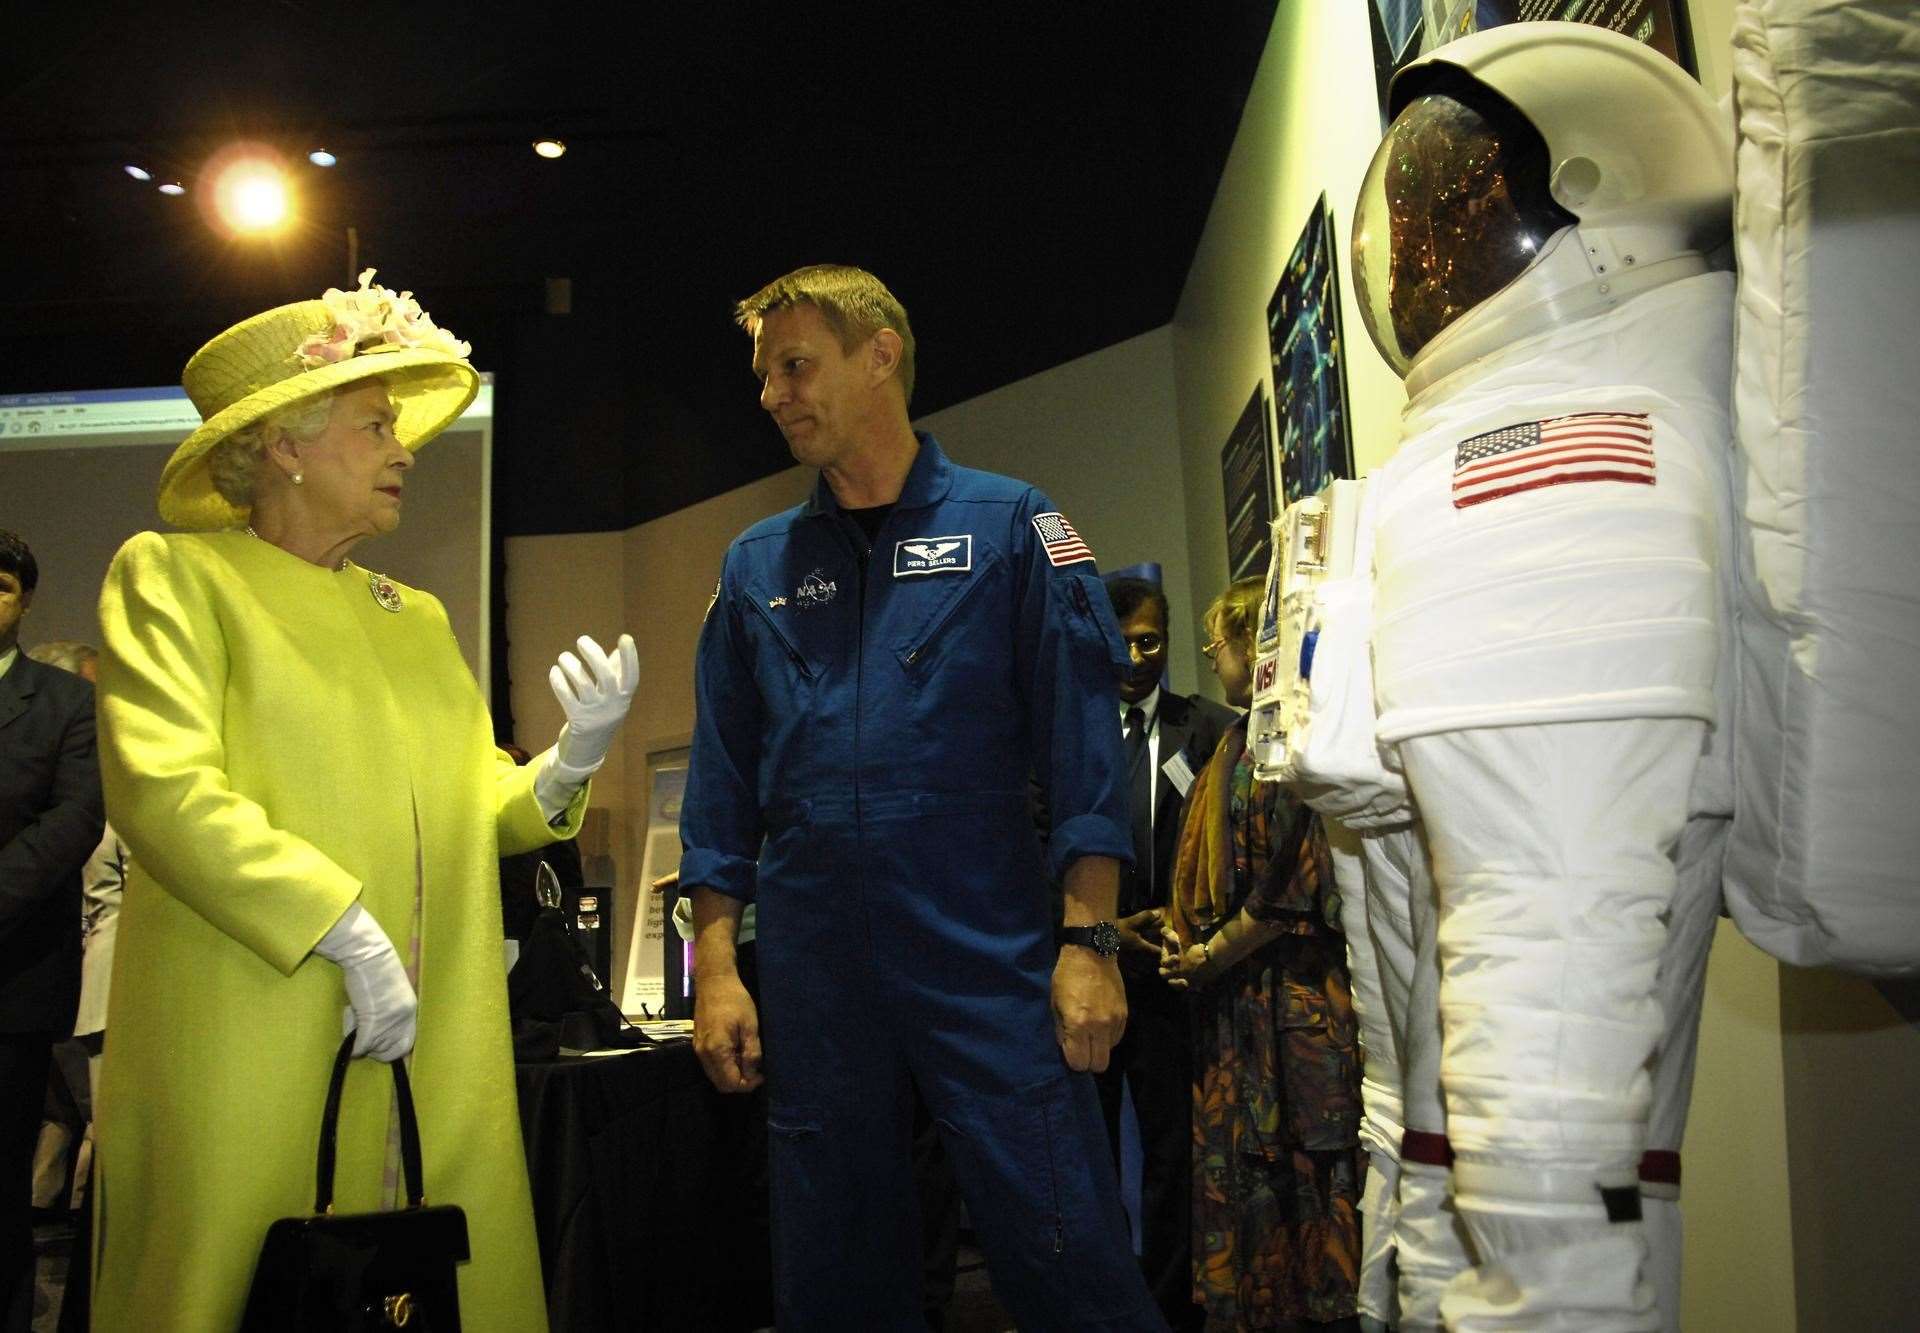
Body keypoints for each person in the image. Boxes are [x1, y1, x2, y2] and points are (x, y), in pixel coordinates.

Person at [91, 271, 640, 1332]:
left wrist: (568, 763)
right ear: (287, 443)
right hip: (253, 1016)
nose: (406, 450)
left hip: (435, 1034)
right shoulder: (174, 579)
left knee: (433, 1281)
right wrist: (338, 924)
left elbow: (472, 798)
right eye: (376, 423)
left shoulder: (413, 614)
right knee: (242, 1280)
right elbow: (163, 787)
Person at [681, 264, 1162, 1330]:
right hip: (815, 972)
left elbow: (1087, 751)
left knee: (1062, 1231)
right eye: (765, 378)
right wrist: (715, 969)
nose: (774, 396)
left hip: (981, 948)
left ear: (880, 355)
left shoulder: (1015, 528)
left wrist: (1091, 944)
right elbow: (720, 789)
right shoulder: (756, 566)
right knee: (833, 1258)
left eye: (796, 367)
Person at [1345, 25, 1737, 1330]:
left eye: (1455, 215)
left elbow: (1539, 1118)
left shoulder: (1568, 461)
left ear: (1591, 195)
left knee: (1559, 1215)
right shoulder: (1505, 442)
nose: (1420, 257)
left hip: (1534, 1207)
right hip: (1458, 1160)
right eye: (1411, 226)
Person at [1160, 576, 1363, 1332]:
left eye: (1217, 643)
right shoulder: (1232, 741)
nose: (1211, 659)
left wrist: (1210, 951)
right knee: (1226, 1175)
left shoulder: (1265, 738)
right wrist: (1153, 931)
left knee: (1304, 1173)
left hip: (1283, 998)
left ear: (1253, 641)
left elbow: (1285, 884)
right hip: (1214, 1001)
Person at [1096, 575, 1235, 1332]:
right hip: (1093, 966)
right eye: (1120, 641)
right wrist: (1112, 932)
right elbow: (1041, 854)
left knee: (1172, 1154)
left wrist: (1179, 923)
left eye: (1150, 640)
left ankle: (1169, 1310)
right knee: (1085, 1152)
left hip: (1176, 973)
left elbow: (1226, 853)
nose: (1136, 655)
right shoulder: (1071, 733)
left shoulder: (1209, 729)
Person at [0, 533, 105, 1332]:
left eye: (1, 585)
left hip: (15, 967)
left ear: (25, 600)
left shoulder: (64, 700)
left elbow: (72, 822)